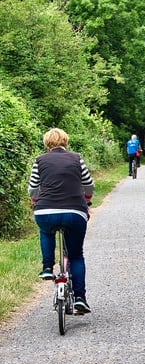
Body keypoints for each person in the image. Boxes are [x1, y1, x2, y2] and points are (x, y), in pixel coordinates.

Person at [28, 128, 94, 314]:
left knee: (46, 230)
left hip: (46, 211)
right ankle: (80, 298)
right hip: (75, 212)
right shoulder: (76, 158)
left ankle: (47, 267)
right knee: (75, 255)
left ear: (46, 143)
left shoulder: (39, 160)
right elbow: (89, 184)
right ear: (65, 141)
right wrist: (87, 199)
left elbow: (33, 188)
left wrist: (36, 200)